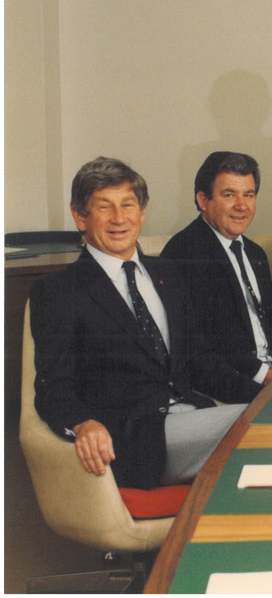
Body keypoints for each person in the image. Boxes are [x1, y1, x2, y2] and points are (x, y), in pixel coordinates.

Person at [30, 158, 251, 490]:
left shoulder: (167, 273)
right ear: (80, 217)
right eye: (104, 207)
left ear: (142, 213)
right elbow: (53, 387)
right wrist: (82, 423)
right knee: (261, 425)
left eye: (128, 205)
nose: (119, 219)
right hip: (137, 442)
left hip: (193, 420)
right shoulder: (60, 291)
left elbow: (203, 363)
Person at [161, 151, 272, 391]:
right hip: (231, 383)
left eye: (249, 195)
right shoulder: (184, 252)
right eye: (229, 195)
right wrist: (264, 375)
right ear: (204, 201)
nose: (241, 206)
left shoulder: (255, 252)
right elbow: (202, 342)